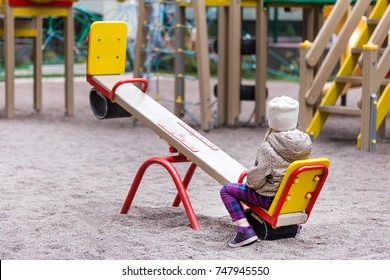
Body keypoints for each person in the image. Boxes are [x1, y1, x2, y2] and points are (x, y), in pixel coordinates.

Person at [220, 95, 312, 247]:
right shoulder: (306, 144)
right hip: (294, 200)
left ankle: (244, 230)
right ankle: (293, 227)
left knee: (227, 190)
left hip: (271, 200)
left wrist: (251, 173)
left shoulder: (268, 147)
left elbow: (254, 183)